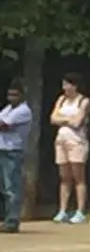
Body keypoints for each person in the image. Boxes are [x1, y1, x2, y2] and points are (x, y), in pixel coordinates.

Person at [50, 73, 90, 223]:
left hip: (77, 141)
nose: (64, 88)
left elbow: (78, 122)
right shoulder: (61, 100)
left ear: (75, 86)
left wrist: (63, 120)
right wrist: (67, 120)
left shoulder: (83, 101)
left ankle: (80, 211)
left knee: (78, 177)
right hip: (61, 140)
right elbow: (53, 118)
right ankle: (62, 210)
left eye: (67, 84)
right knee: (64, 177)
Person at [0, 79, 32, 234]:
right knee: (4, 188)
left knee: (12, 187)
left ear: (22, 96)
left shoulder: (23, 110)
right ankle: (6, 219)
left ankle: (12, 221)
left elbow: (4, 125)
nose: (12, 98)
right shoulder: (8, 109)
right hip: (3, 149)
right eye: (10, 95)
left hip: (13, 151)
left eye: (15, 95)